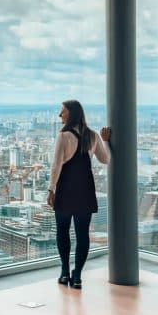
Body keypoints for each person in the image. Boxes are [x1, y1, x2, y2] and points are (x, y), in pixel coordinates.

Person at [46, 99, 110, 289]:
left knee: (62, 232)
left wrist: (51, 189)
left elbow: (56, 165)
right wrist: (105, 140)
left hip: (66, 189)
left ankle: (65, 272)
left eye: (63, 111)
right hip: (85, 190)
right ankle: (78, 276)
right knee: (83, 235)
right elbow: (105, 159)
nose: (60, 115)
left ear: (71, 114)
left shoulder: (63, 136)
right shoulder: (92, 135)